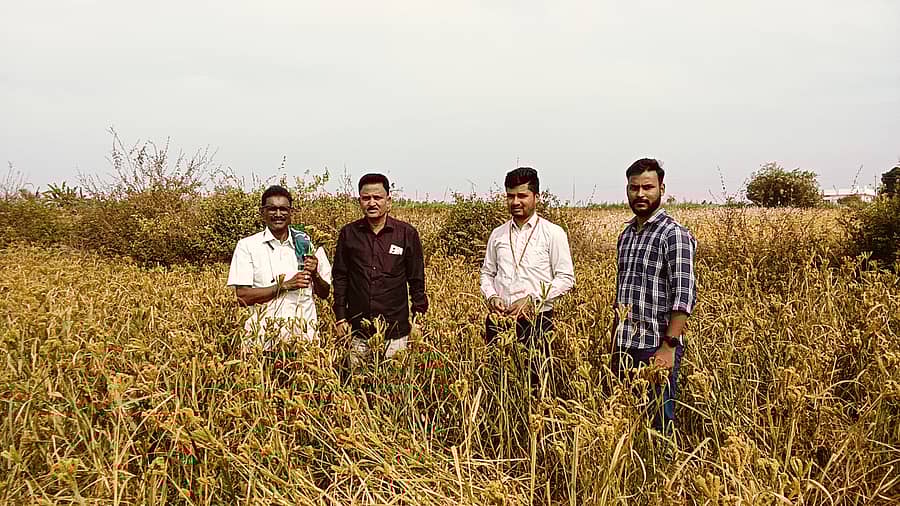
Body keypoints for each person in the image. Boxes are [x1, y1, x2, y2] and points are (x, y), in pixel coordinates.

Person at [612, 158, 697, 438]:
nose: (640, 194)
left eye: (647, 187)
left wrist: (669, 346)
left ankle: (664, 475)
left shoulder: (673, 235)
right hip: (624, 344)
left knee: (659, 421)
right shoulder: (626, 236)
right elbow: (622, 290)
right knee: (625, 419)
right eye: (634, 187)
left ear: (661, 188)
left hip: (655, 346)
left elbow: (683, 296)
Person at [332, 173, 428, 365]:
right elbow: (341, 278)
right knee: (356, 386)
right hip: (359, 331)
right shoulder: (348, 234)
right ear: (359, 201)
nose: (372, 203)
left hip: (396, 332)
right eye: (366, 198)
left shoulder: (406, 234)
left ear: (388, 200)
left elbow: (416, 280)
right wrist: (341, 318)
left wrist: (418, 319)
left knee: (393, 387)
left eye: (377, 197)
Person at [226, 185, 332, 351]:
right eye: (272, 209)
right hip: (261, 343)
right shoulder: (247, 246)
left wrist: (315, 274)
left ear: (291, 212)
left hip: (303, 342)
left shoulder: (308, 244)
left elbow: (325, 293)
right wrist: (285, 286)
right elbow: (242, 297)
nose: (278, 214)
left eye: (283, 209)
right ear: (262, 212)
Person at [480, 167, 575, 349]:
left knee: (535, 376)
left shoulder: (553, 233)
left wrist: (532, 300)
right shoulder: (498, 234)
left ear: (536, 197)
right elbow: (487, 273)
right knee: (497, 375)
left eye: (522, 196)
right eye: (510, 196)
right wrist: (492, 297)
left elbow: (566, 279)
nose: (515, 202)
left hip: (537, 321)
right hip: (499, 321)